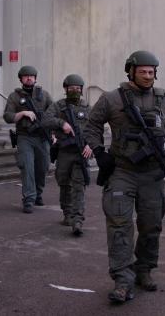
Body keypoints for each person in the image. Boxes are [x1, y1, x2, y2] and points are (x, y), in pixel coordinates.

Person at [83, 50, 165, 303]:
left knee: (151, 226)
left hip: (153, 175)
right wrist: (98, 151)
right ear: (131, 71)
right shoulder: (112, 99)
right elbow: (91, 126)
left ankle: (143, 269)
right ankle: (122, 280)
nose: (148, 76)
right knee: (119, 226)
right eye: (143, 72)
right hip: (122, 172)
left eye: (151, 72)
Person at [42, 74, 92, 236]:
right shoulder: (58, 106)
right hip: (64, 152)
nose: (75, 91)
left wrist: (91, 146)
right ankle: (67, 213)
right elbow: (45, 120)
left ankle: (78, 220)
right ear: (65, 89)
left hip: (81, 153)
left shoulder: (87, 109)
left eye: (78, 89)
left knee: (79, 186)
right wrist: (61, 123)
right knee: (64, 183)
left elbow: (96, 129)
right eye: (71, 88)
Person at [3, 65, 53, 214]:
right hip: (24, 137)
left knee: (43, 167)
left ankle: (38, 193)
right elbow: (7, 116)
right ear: (21, 79)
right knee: (27, 167)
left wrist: (55, 133)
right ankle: (29, 199)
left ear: (36, 78)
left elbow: (55, 114)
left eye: (32, 76)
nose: (29, 78)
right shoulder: (15, 96)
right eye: (26, 76)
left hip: (42, 137)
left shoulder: (44, 95)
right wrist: (23, 113)